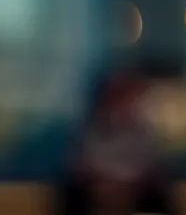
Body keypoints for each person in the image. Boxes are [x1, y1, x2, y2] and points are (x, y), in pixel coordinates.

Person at [58, 70, 172, 215]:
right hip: (97, 184)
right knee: (71, 191)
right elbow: (83, 163)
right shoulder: (93, 128)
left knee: (161, 190)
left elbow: (149, 164)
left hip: (136, 187)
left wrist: (128, 181)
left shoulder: (143, 131)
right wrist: (107, 180)